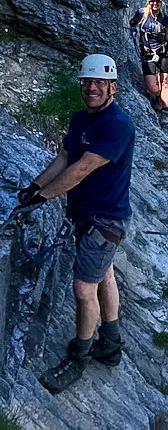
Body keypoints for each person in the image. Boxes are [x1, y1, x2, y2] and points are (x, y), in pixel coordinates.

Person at [17, 54, 135, 394]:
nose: (92, 87)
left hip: (105, 219)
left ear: (112, 87)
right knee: (104, 276)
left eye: (99, 83)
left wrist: (44, 197)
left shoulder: (118, 124)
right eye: (88, 82)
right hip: (90, 216)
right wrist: (35, 187)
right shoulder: (81, 119)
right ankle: (110, 345)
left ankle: (79, 356)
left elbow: (81, 169)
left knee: (84, 290)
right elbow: (66, 157)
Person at [129, 0, 168, 125]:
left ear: (161, 3)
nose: (154, 4)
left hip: (163, 53)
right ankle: (158, 98)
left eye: (157, 2)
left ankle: (165, 112)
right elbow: (132, 22)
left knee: (165, 83)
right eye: (152, 1)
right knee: (153, 87)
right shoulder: (141, 14)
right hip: (148, 54)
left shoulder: (164, 19)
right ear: (148, 1)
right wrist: (132, 28)